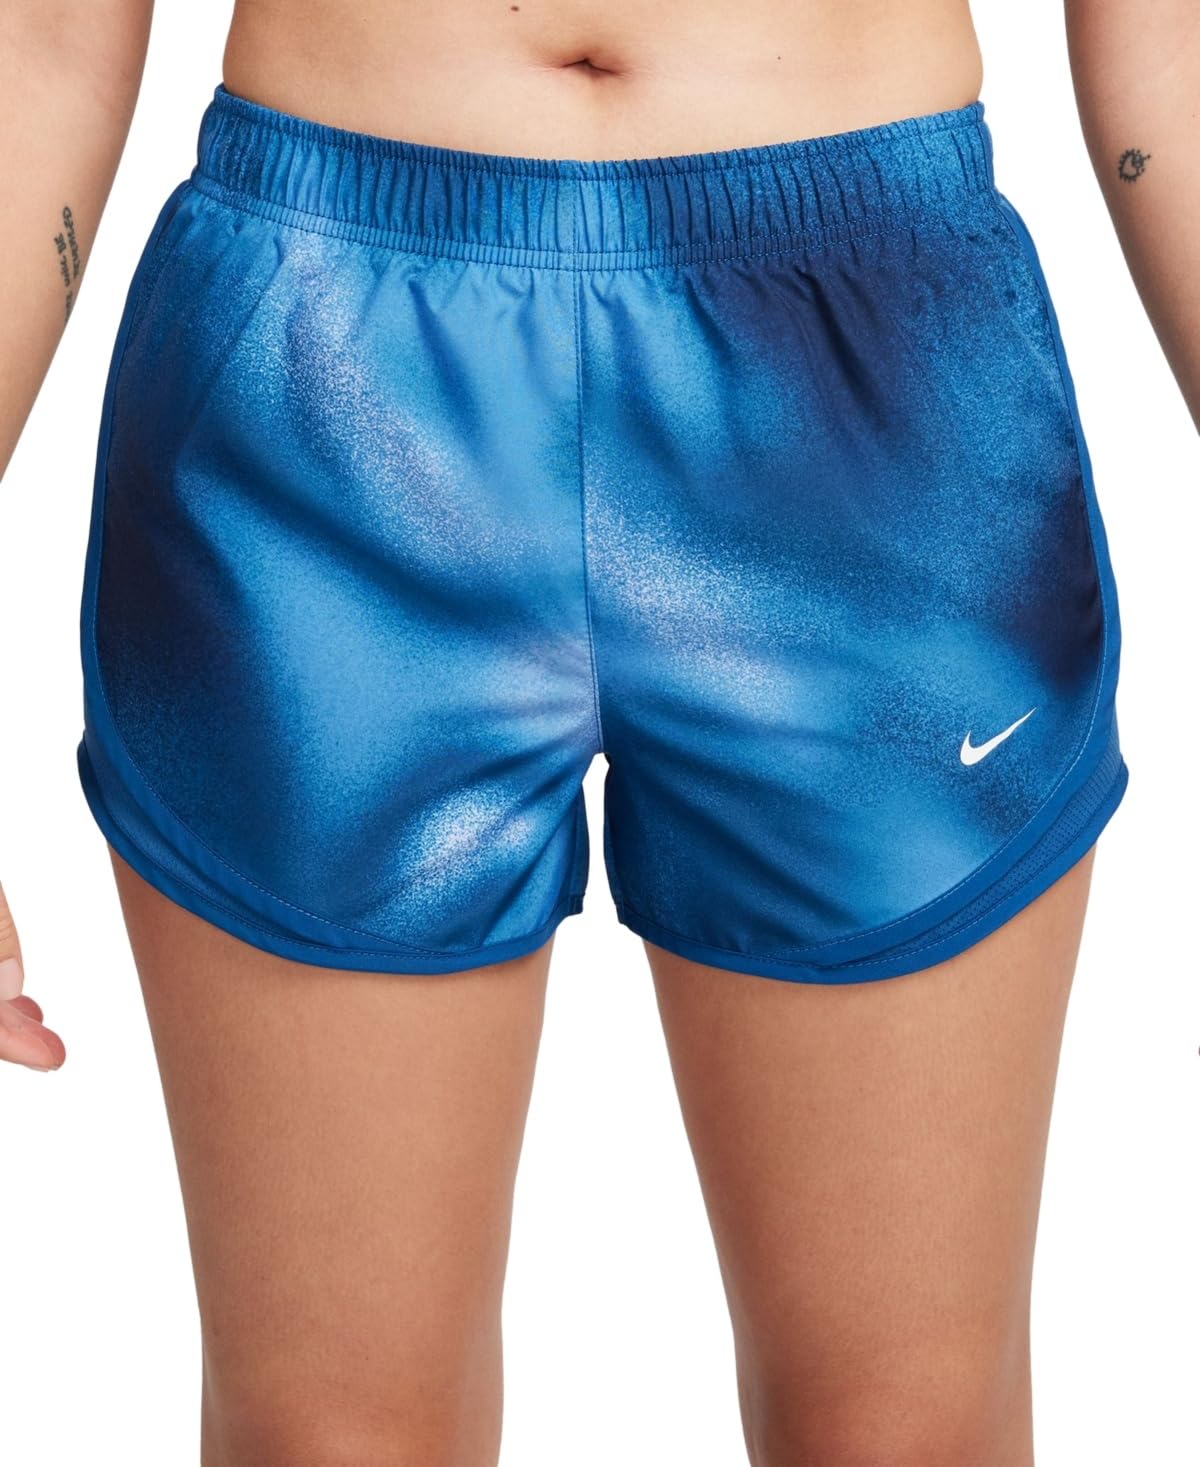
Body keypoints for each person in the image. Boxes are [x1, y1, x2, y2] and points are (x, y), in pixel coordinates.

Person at [0, 1, 1192, 1462]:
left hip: (868, 393)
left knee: (908, 1435)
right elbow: (45, 39)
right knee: (324, 1440)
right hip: (322, 384)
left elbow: (1171, 45)